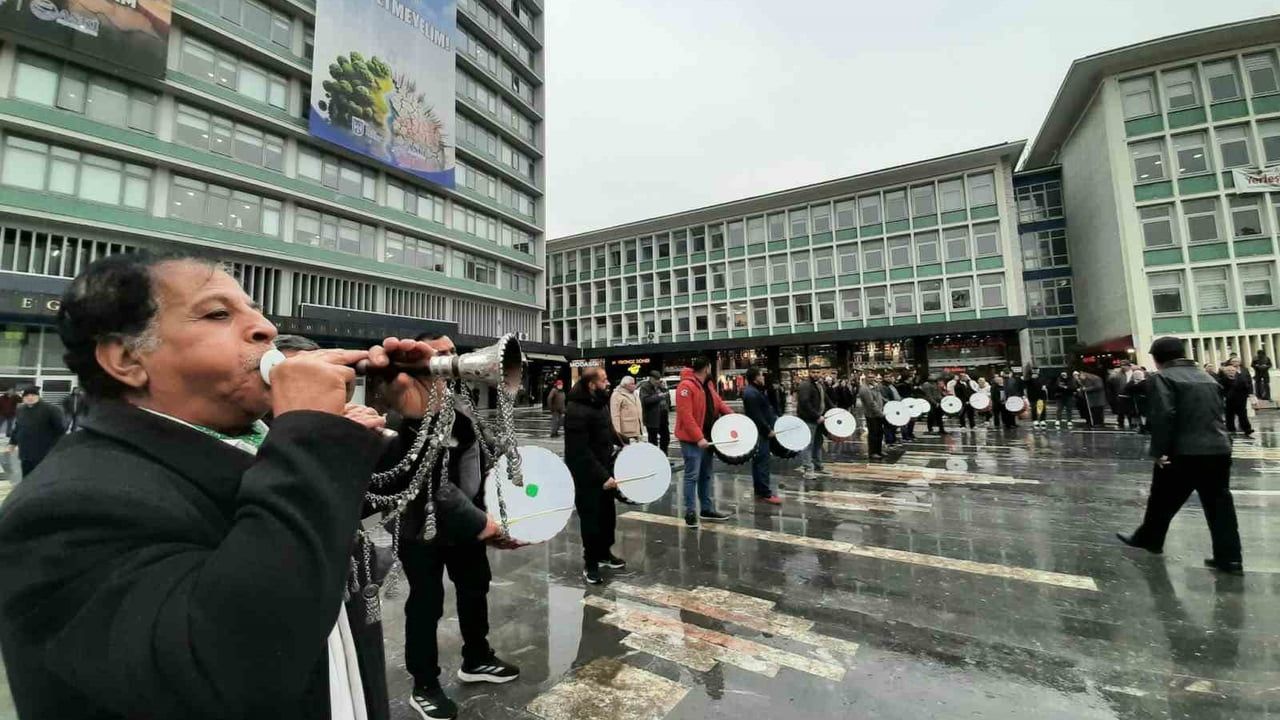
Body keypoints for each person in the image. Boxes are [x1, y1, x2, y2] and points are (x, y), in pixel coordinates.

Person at [0, 252, 455, 720]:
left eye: (255, 310)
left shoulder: (258, 445)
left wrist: (406, 413)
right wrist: (309, 434)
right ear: (128, 358)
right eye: (218, 313)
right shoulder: (65, 509)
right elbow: (238, 666)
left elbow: (337, 508)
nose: (266, 328)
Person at [1118, 336, 1242, 575]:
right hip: (1217, 449)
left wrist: (1159, 451)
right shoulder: (1207, 377)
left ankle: (1150, 539)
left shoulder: (1163, 378)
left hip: (1184, 450)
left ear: (1157, 359)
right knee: (1220, 506)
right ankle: (1230, 559)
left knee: (1161, 498)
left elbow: (1164, 415)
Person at [565, 367, 626, 585]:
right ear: (592, 385)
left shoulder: (600, 403)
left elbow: (608, 431)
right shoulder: (576, 409)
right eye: (604, 379)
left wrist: (625, 445)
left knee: (607, 517)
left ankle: (604, 553)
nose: (608, 383)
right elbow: (578, 451)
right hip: (587, 476)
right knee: (591, 521)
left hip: (604, 471)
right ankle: (590, 563)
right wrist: (602, 476)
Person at [674, 358, 735, 528]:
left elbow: (718, 403)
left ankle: (706, 509)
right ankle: (690, 512)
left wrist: (734, 417)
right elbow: (686, 415)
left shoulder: (707, 384)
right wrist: (698, 437)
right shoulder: (686, 386)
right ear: (707, 367)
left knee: (705, 475)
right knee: (692, 475)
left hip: (709, 437)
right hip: (692, 439)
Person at [742, 367, 780, 504]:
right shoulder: (751, 393)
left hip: (759, 432)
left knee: (758, 462)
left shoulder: (754, 391)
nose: (763, 378)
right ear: (755, 378)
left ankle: (760, 490)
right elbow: (757, 415)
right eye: (761, 376)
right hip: (760, 433)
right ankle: (765, 492)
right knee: (762, 462)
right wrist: (767, 430)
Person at [9, 387, 64, 477]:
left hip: (43, 452)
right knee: (26, 476)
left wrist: (54, 447)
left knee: (41, 477)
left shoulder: (51, 409)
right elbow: (18, 427)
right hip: (25, 452)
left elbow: (60, 429)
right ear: (23, 398)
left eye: (33, 395)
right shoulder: (21, 409)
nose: (30, 397)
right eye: (26, 396)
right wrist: (12, 442)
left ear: (38, 396)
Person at [795, 373, 828, 479]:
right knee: (808, 444)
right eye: (813, 372)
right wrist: (817, 416)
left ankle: (818, 466)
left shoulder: (818, 385)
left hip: (818, 419)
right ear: (809, 372)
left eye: (817, 372)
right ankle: (808, 469)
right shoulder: (805, 385)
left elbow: (825, 400)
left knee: (818, 442)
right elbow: (805, 403)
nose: (815, 374)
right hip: (809, 419)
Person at [638, 371, 670, 453]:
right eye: (656, 379)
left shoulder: (660, 386)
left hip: (663, 416)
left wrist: (664, 388)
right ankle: (654, 457)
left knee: (666, 437)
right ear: (651, 378)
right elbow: (645, 400)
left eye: (659, 379)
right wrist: (658, 396)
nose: (658, 381)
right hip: (652, 418)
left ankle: (664, 455)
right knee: (653, 440)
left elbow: (667, 396)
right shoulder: (645, 387)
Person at [1220, 364, 1254, 437]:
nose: (1231, 372)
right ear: (1225, 372)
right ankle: (1231, 429)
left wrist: (1249, 395)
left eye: (1232, 370)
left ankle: (1247, 429)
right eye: (1228, 370)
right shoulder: (1222, 379)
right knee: (1229, 416)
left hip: (1240, 399)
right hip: (1229, 400)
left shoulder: (1240, 378)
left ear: (1235, 371)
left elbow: (1246, 387)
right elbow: (1221, 389)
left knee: (1243, 415)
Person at [609, 375, 644, 444]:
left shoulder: (635, 394)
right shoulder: (617, 395)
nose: (634, 385)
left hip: (637, 431)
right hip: (626, 433)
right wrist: (618, 434)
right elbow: (615, 415)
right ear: (625, 385)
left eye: (634, 383)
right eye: (632, 384)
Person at [858, 373, 885, 460]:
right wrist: (880, 413)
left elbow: (879, 398)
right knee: (873, 434)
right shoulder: (864, 389)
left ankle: (879, 450)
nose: (872, 379)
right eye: (869, 377)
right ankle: (873, 452)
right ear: (865, 378)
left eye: (873, 377)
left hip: (878, 413)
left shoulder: (874, 386)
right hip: (871, 415)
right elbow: (871, 404)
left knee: (879, 433)